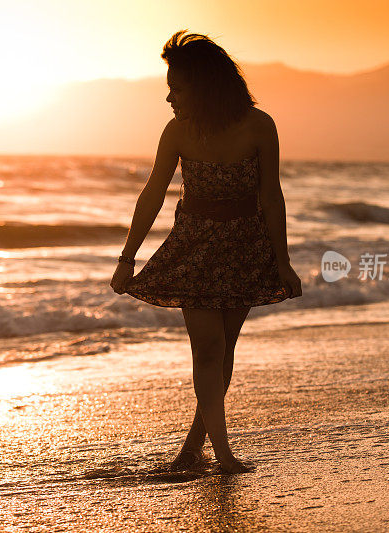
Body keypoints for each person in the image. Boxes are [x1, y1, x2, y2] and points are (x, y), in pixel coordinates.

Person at [109, 30, 302, 474]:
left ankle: (193, 445)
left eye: (176, 87)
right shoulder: (177, 132)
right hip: (194, 246)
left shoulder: (259, 126)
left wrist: (283, 261)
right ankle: (224, 454)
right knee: (208, 350)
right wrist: (127, 258)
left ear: (205, 84)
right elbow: (152, 193)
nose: (169, 97)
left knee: (225, 349)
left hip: (244, 246)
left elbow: (271, 196)